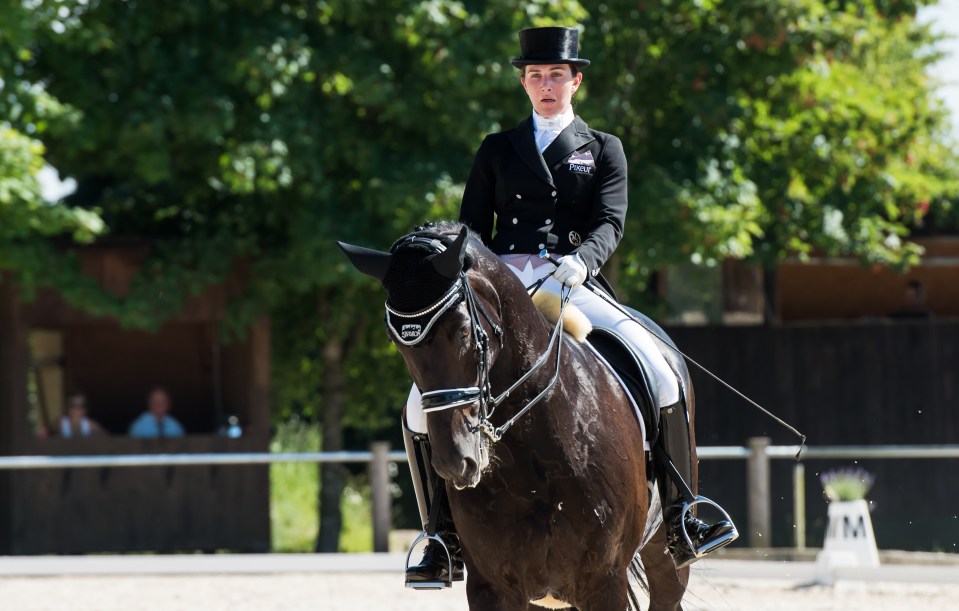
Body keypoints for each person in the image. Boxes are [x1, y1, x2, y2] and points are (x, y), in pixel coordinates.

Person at [403, 26, 736, 587]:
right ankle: (441, 535)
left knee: (658, 369)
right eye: (535, 76)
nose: (545, 85)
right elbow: (470, 230)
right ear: (524, 83)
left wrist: (584, 261)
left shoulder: (602, 147)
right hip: (501, 289)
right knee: (419, 402)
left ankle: (683, 513)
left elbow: (610, 220)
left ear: (575, 80)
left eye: (555, 75)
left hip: (572, 283)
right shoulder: (497, 149)